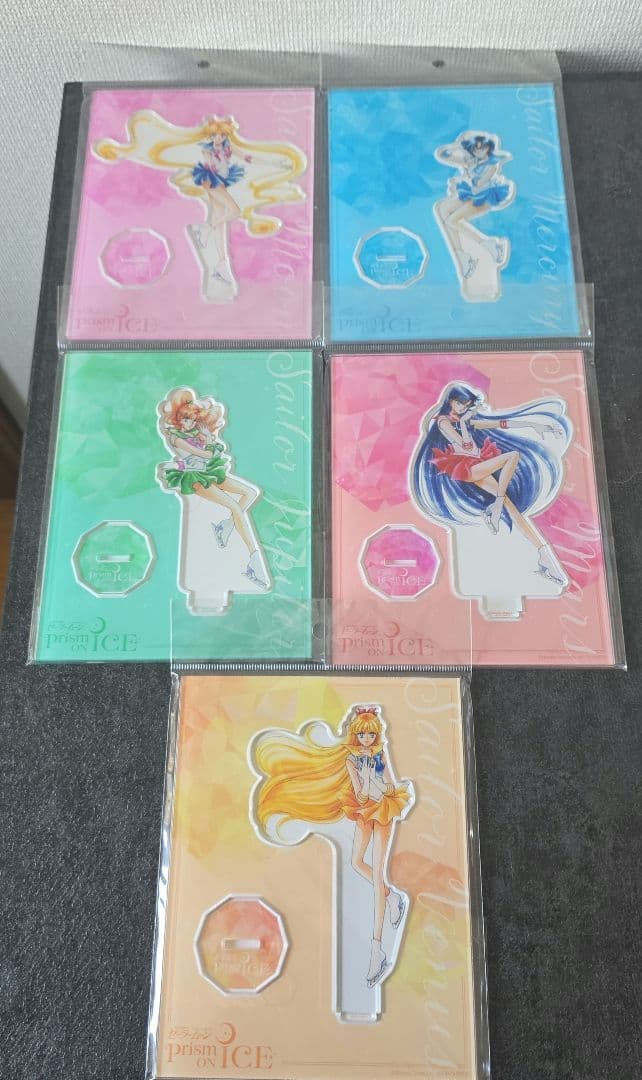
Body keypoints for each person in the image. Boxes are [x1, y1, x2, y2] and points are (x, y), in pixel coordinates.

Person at [253, 706, 414, 987]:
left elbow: (390, 785)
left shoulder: (380, 754)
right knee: (356, 862)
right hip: (364, 809)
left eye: (370, 734)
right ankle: (391, 897)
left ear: (376, 734)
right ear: (356, 734)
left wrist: (377, 783)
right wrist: (366, 781)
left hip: (384, 811)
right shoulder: (351, 759)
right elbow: (360, 794)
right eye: (362, 734)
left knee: (377, 876)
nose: (366, 738)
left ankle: (376, 950)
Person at [95, 111, 307, 301]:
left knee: (225, 213)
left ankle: (205, 235)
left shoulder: (228, 148)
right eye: (216, 135)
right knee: (230, 211)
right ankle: (206, 238)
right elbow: (200, 160)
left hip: (225, 181)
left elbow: (247, 157)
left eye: (222, 135)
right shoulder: (206, 148)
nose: (219, 138)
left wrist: (273, 163)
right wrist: (123, 152)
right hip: (211, 181)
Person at [410, 382, 571, 586]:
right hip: (465, 468)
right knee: (512, 456)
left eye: (466, 405)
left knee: (513, 509)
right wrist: (465, 424)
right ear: (450, 401)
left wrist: (533, 425)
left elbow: (500, 423)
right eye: (460, 404)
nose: (463, 408)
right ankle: (496, 507)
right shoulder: (443, 422)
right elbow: (467, 448)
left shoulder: (463, 419)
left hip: (477, 464)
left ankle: (545, 556)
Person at [157, 387, 269, 589]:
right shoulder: (176, 437)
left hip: (209, 471)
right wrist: (208, 441)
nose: (188, 423)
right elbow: (205, 454)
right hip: (194, 477)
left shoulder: (195, 433)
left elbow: (215, 451)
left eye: (192, 419)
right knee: (234, 507)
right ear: (178, 418)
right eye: (185, 419)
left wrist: (208, 440)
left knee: (250, 492)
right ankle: (254, 560)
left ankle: (225, 526)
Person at [434, 131, 515, 282]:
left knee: (451, 221)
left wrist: (460, 180)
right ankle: (461, 257)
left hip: (486, 195)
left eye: (482, 147)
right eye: (475, 148)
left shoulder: (491, 165)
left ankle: (489, 244)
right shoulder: (470, 161)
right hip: (471, 193)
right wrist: (458, 145)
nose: (478, 151)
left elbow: (478, 185)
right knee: (442, 210)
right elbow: (442, 155)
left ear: (488, 147)